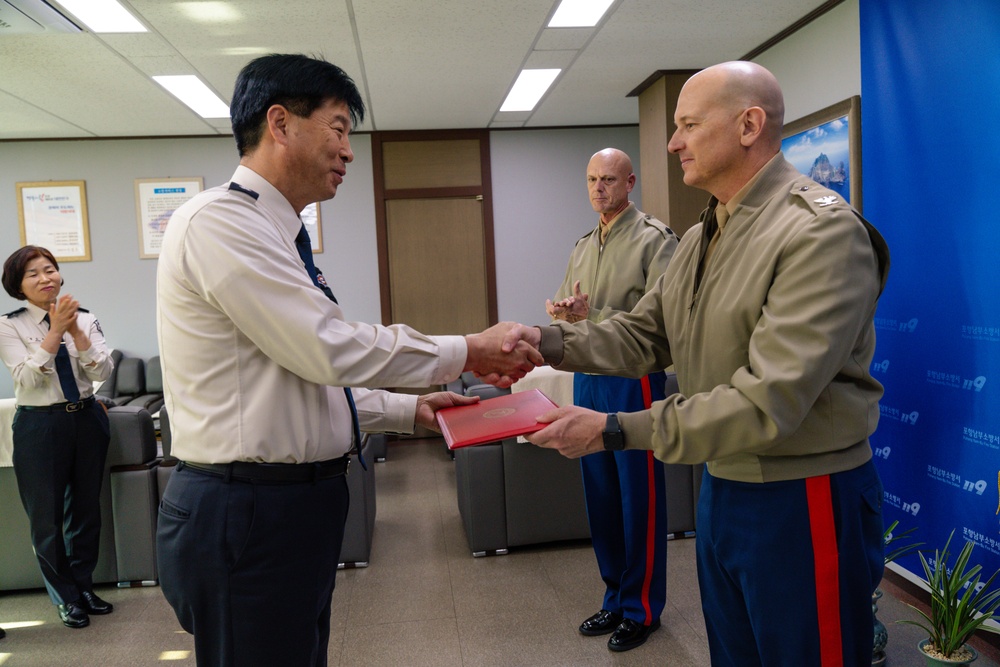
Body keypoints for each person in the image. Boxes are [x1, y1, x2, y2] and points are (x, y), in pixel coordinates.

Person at [492, 61, 891, 666]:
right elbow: (646, 334)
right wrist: (543, 341)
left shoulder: (818, 233)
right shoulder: (708, 233)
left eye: (688, 125)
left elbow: (767, 402)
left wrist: (615, 430)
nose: (673, 142)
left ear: (750, 125)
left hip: (801, 494)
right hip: (723, 485)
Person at [155, 53, 540, 667]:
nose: (349, 152)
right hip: (246, 508)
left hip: (289, 505)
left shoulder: (279, 235)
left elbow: (299, 373)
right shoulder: (220, 224)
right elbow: (324, 345)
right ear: (280, 124)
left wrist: (409, 412)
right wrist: (467, 349)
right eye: (337, 129)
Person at [547, 148, 677, 652]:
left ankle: (643, 607)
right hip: (588, 376)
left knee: (636, 496)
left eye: (608, 179)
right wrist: (565, 311)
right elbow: (568, 310)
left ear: (630, 182)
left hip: (633, 379)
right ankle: (615, 595)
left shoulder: (654, 239)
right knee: (599, 494)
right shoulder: (583, 244)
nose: (598, 188)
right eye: (591, 179)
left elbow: (658, 317)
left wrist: (592, 313)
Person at [0, 245, 116, 629]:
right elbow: (27, 378)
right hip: (39, 426)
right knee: (46, 518)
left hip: (85, 419)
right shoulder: (8, 324)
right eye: (33, 273)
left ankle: (83, 587)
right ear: (18, 285)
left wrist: (77, 333)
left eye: (49, 269)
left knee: (85, 512)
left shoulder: (85, 317)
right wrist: (55, 332)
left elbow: (101, 372)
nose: (45, 277)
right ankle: (64, 598)